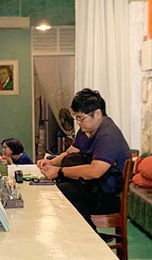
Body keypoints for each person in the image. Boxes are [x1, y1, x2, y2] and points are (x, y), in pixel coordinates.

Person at [37, 88, 131, 226]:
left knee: (64, 191)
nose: (78, 123)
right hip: (95, 187)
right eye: (77, 118)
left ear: (97, 113)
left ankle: (90, 237)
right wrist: (51, 163)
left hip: (109, 196)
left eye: (81, 118)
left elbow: (95, 171)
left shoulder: (108, 135)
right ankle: (81, 235)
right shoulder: (86, 129)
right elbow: (71, 151)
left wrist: (59, 171)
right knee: (59, 186)